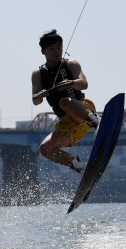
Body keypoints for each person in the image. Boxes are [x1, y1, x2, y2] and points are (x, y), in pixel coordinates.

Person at [31, 29, 100, 173]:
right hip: (68, 125)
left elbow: (84, 84)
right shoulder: (38, 74)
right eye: (51, 49)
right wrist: (40, 95)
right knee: (45, 148)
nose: (56, 51)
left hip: (82, 112)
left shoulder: (71, 64)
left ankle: (97, 123)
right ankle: (76, 164)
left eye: (59, 48)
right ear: (43, 51)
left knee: (64, 102)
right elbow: (35, 101)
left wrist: (69, 83)